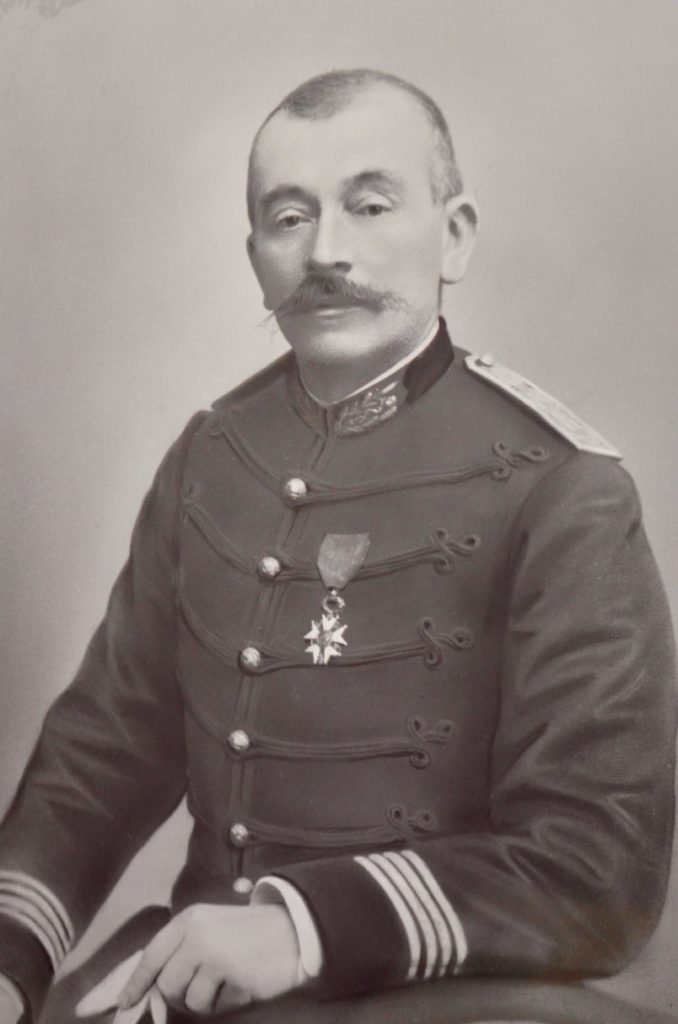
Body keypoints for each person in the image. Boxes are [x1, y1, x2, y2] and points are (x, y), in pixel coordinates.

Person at [0, 68, 675, 1024]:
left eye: (369, 205)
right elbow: (105, 753)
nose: (326, 252)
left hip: (449, 998)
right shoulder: (213, 455)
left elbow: (597, 867)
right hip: (200, 988)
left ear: (454, 236)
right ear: (255, 256)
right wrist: (10, 954)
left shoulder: (562, 487)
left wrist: (302, 926)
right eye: (289, 217)